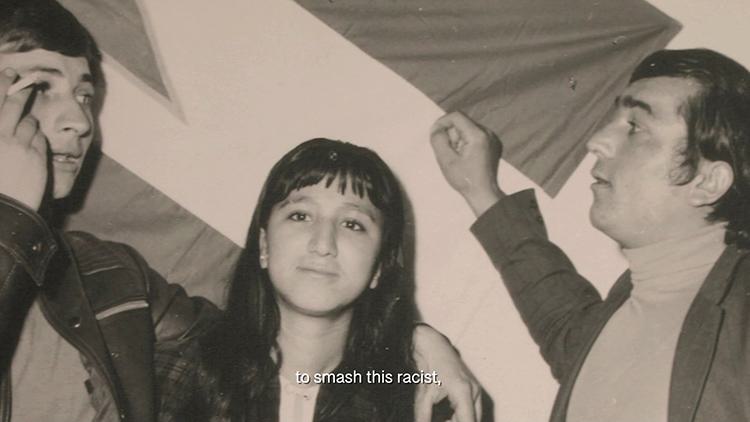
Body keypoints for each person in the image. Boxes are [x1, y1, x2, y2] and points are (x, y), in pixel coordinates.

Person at [0, 1, 480, 421]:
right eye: (41, 87)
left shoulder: (105, 276)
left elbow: (252, 345)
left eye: (85, 96)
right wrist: (11, 219)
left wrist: (409, 345)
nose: (80, 120)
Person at [430, 48, 750, 422]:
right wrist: (480, 190)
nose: (597, 140)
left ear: (708, 182)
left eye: (635, 126)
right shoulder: (622, 314)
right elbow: (559, 316)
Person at [160, 138, 463, 421]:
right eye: (301, 216)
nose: (322, 244)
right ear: (264, 245)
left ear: (379, 268)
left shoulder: (423, 400)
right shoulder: (175, 376)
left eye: (352, 224)